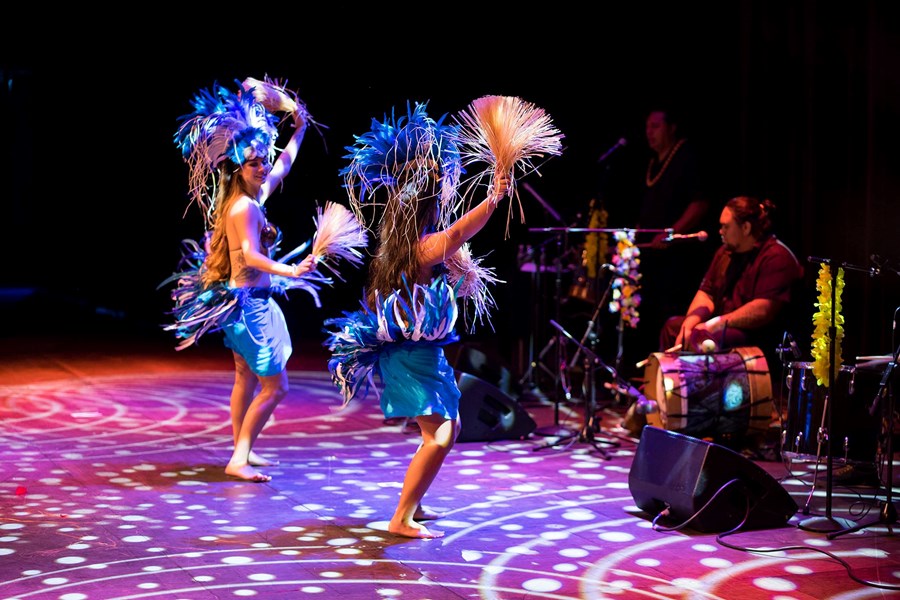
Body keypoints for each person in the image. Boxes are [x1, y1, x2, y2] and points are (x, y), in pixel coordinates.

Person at [325, 98, 561, 538]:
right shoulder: (422, 245)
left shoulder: (403, 242)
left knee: (443, 432)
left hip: (418, 353)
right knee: (441, 434)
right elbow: (455, 235)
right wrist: (493, 198)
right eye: (440, 197)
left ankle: (412, 504)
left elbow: (449, 249)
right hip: (412, 357)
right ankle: (401, 518)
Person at [167, 78, 321, 483]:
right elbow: (251, 255)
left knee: (245, 378)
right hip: (251, 307)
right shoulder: (243, 209)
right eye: (255, 163)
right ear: (239, 166)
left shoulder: (250, 199)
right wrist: (292, 269)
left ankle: (242, 450)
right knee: (277, 387)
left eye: (264, 160)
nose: (264, 166)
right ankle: (239, 456)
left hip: (242, 302)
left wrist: (300, 129)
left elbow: (285, 165)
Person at [620, 105, 717, 377]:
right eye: (647, 127)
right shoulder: (653, 163)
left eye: (656, 126)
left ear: (672, 127)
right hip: (651, 255)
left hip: (677, 259)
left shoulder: (686, 157)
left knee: (668, 312)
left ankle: (672, 380)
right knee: (645, 316)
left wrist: (672, 233)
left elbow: (700, 203)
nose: (649, 133)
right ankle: (647, 378)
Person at [659, 196, 804, 356]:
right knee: (674, 327)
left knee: (712, 338)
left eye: (726, 227)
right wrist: (690, 322)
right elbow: (707, 294)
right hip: (722, 329)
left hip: (759, 339)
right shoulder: (725, 253)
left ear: (746, 228)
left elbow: (763, 310)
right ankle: (671, 378)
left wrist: (716, 324)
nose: (721, 231)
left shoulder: (776, 256)